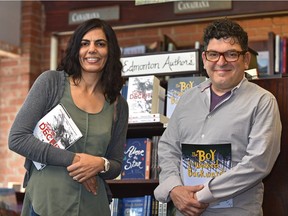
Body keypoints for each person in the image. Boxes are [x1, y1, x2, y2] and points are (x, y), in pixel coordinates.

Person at [154, 18, 282, 216]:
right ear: (205, 58)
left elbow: (258, 163)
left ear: (246, 59)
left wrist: (201, 195)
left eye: (231, 54)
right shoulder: (187, 98)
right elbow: (168, 147)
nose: (221, 62)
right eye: (214, 54)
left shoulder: (262, 101)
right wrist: (174, 189)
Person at [8, 18, 128, 216]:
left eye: (100, 44)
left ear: (110, 51)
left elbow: (115, 165)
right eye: (84, 43)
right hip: (45, 205)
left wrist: (100, 164)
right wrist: (76, 160)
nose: (92, 50)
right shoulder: (51, 83)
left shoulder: (118, 105)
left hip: (92, 208)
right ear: (75, 50)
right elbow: (18, 138)